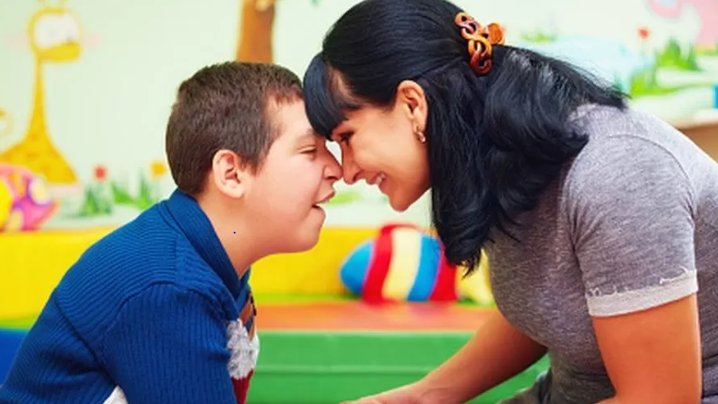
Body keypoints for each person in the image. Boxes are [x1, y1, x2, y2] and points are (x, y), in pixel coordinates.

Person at [302, 0, 718, 403]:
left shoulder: (616, 170)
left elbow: (662, 397)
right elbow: (554, 305)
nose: (347, 170)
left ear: (413, 104)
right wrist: (420, 398)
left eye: (346, 138)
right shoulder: (500, 155)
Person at [0, 62, 341, 404]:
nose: (336, 169)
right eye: (310, 151)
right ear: (232, 174)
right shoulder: (169, 287)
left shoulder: (205, 259)